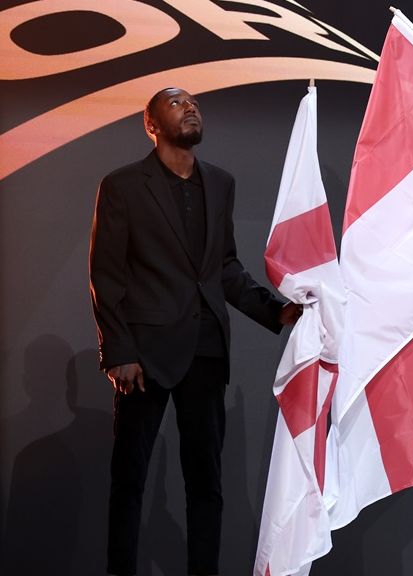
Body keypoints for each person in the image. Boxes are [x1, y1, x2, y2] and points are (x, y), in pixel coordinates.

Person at [89, 87, 302, 576]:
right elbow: (106, 274)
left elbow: (222, 267)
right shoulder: (121, 185)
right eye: (176, 102)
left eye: (194, 103)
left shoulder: (221, 183)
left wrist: (276, 312)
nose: (190, 107)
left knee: (206, 482)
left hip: (206, 350)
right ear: (152, 124)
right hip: (143, 355)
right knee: (130, 481)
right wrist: (118, 350)